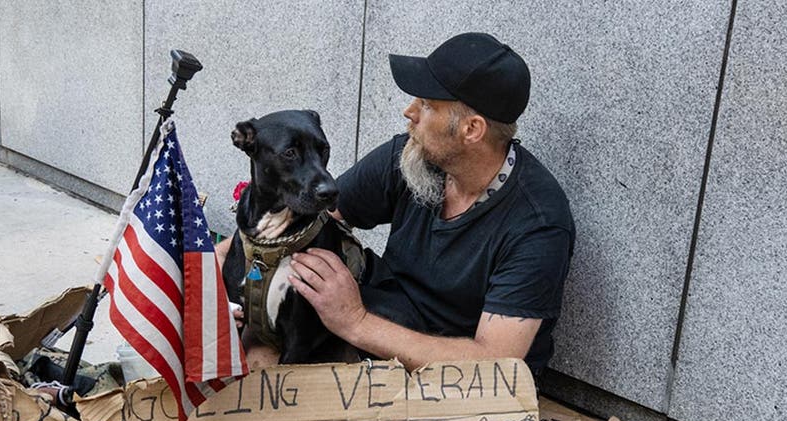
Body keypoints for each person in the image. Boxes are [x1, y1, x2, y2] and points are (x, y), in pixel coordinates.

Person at [246, 32, 575, 376]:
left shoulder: (538, 224)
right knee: (258, 355)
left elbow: (495, 361)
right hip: (382, 325)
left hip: (462, 388)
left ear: (472, 129)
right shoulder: (412, 155)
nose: (410, 111)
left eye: (428, 104)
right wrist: (225, 264)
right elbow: (313, 214)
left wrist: (355, 321)